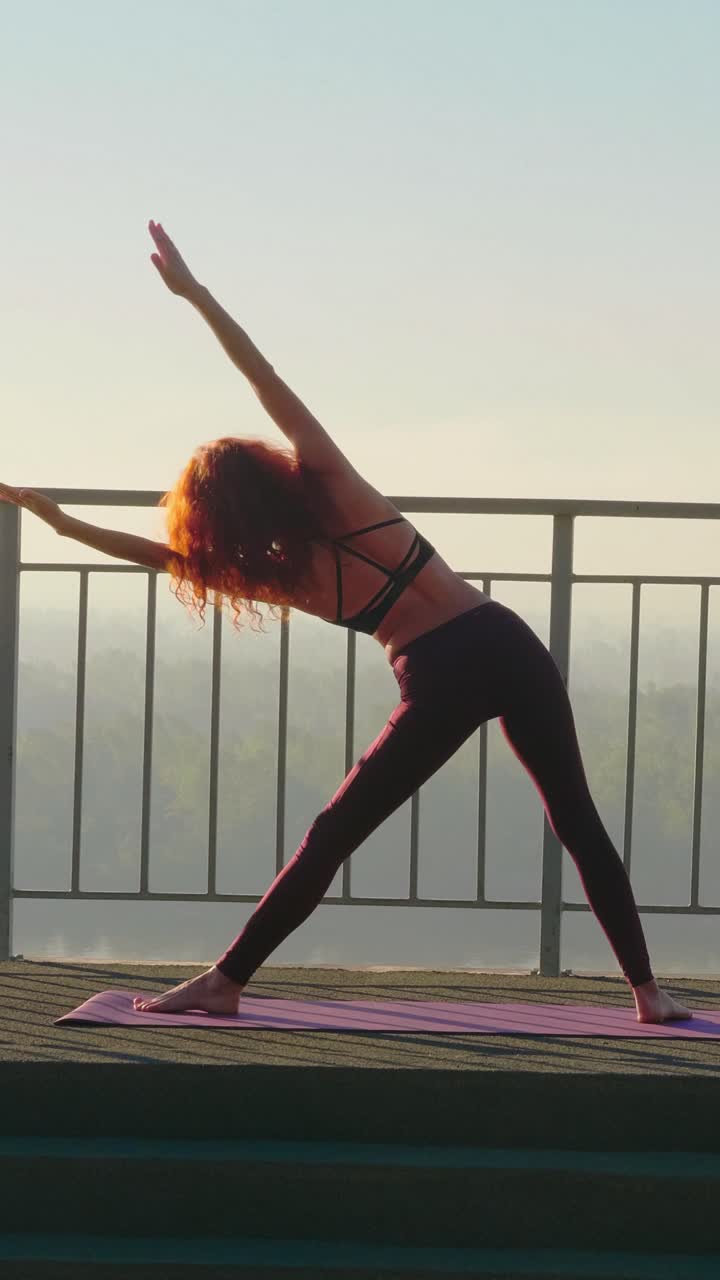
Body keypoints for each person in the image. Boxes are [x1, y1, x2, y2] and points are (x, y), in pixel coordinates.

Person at [0, 221, 691, 1025]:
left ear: (218, 523)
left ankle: (225, 981)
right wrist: (194, 296)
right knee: (576, 818)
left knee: (335, 829)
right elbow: (263, 375)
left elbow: (161, 559)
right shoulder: (340, 488)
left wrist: (59, 524)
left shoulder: (278, 575)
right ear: (266, 474)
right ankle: (650, 994)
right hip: (504, 639)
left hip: (437, 676)